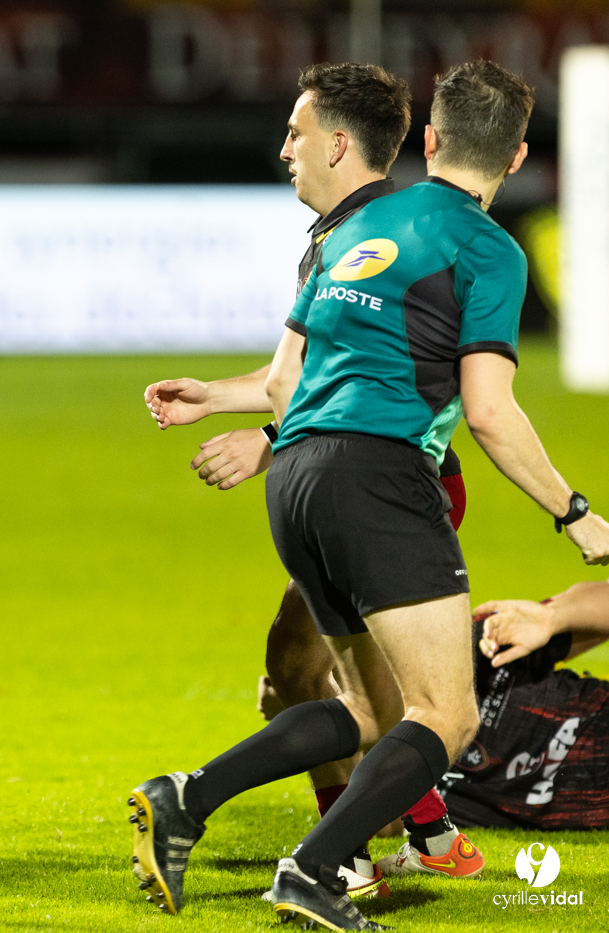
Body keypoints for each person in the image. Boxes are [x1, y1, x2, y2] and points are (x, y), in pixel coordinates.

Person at [130, 60, 609, 931]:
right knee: (447, 714)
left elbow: (286, 382)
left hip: (297, 482)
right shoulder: (488, 248)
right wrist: (577, 514)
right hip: (382, 479)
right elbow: (493, 413)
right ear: (518, 157)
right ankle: (315, 868)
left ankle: (186, 798)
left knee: (368, 709)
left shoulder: (356, 226)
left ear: (429, 140)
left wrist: (230, 407)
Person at [144, 62, 482, 898]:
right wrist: (217, 396)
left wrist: (264, 438)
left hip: (385, 481)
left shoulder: (388, 231)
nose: (284, 148)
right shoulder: (336, 237)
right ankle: (373, 835)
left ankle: (377, 838)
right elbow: (302, 371)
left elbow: (340, 383)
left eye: (296, 132)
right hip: (352, 479)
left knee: (349, 683)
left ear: (338, 141)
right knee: (329, 679)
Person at [259, 582, 609, 838]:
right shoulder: (410, 767)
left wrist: (553, 615)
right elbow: (381, 825)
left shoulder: (468, 648)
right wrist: (312, 728)